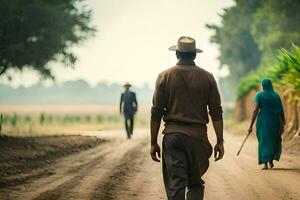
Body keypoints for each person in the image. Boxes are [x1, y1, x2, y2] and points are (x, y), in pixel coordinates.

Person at [150, 36, 224, 200]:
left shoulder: (164, 76)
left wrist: (153, 142)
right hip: (198, 138)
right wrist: (220, 141)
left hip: (173, 137)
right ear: (195, 55)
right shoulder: (208, 77)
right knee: (196, 183)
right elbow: (216, 112)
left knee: (176, 184)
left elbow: (156, 112)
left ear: (177, 54)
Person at [248, 79, 285, 170]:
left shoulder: (259, 95)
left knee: (264, 140)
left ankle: (265, 164)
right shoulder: (276, 96)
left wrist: (251, 125)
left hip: (263, 121)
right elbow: (280, 111)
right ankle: (271, 160)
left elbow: (255, 110)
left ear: (263, 85)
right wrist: (281, 125)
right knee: (273, 140)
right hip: (274, 121)